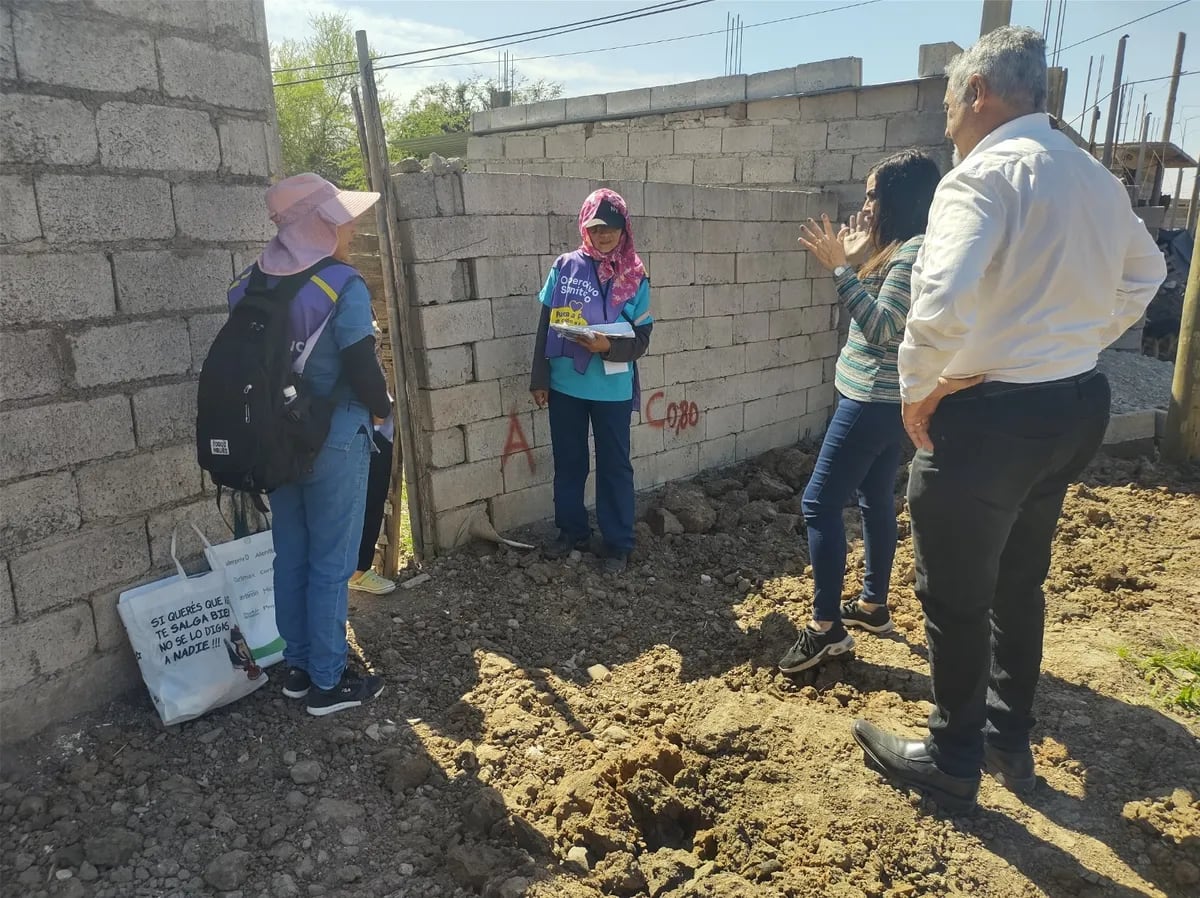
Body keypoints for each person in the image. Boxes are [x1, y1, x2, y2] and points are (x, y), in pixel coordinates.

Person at [851, 27, 1166, 812]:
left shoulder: (979, 177)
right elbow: (1147, 273)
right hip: (1073, 405)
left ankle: (953, 758)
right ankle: (1005, 738)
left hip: (990, 418)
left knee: (954, 593)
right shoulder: (1093, 177)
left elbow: (942, 300)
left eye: (951, 100)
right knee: (1019, 581)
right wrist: (1076, 339)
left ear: (980, 92)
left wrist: (918, 391)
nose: (947, 118)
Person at [230, 173, 394, 717]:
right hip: (333, 439)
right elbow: (362, 367)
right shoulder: (341, 284)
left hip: (273, 441)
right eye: (340, 217)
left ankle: (299, 668)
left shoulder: (250, 284)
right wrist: (385, 409)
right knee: (330, 563)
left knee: (291, 555)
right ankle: (329, 681)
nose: (350, 226)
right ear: (322, 224)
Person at [778, 150, 945, 674]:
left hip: (872, 400)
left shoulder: (911, 253)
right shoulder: (895, 247)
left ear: (898, 198)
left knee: (818, 504)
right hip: (877, 399)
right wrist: (857, 257)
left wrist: (842, 270)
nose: (865, 203)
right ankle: (872, 605)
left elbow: (881, 327)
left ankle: (826, 629)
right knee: (874, 499)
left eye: (873, 194)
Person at [529, 189, 653, 575]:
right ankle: (571, 532)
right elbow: (545, 323)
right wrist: (540, 377)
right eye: (596, 227)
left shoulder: (634, 274)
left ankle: (617, 544)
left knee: (615, 464)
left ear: (624, 230)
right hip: (566, 385)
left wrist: (607, 346)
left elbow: (643, 338)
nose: (604, 235)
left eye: (612, 228)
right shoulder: (565, 266)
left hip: (611, 389)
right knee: (569, 461)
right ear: (585, 226)